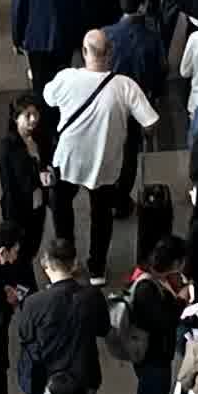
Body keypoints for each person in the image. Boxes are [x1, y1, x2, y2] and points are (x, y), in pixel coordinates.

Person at [43, 32, 161, 277]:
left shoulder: (67, 77)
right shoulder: (125, 85)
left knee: (62, 209)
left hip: (68, 159)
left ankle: (66, 262)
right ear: (110, 53)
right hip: (105, 163)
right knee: (101, 215)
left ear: (84, 52)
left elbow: (48, 98)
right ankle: (97, 268)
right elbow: (150, 122)